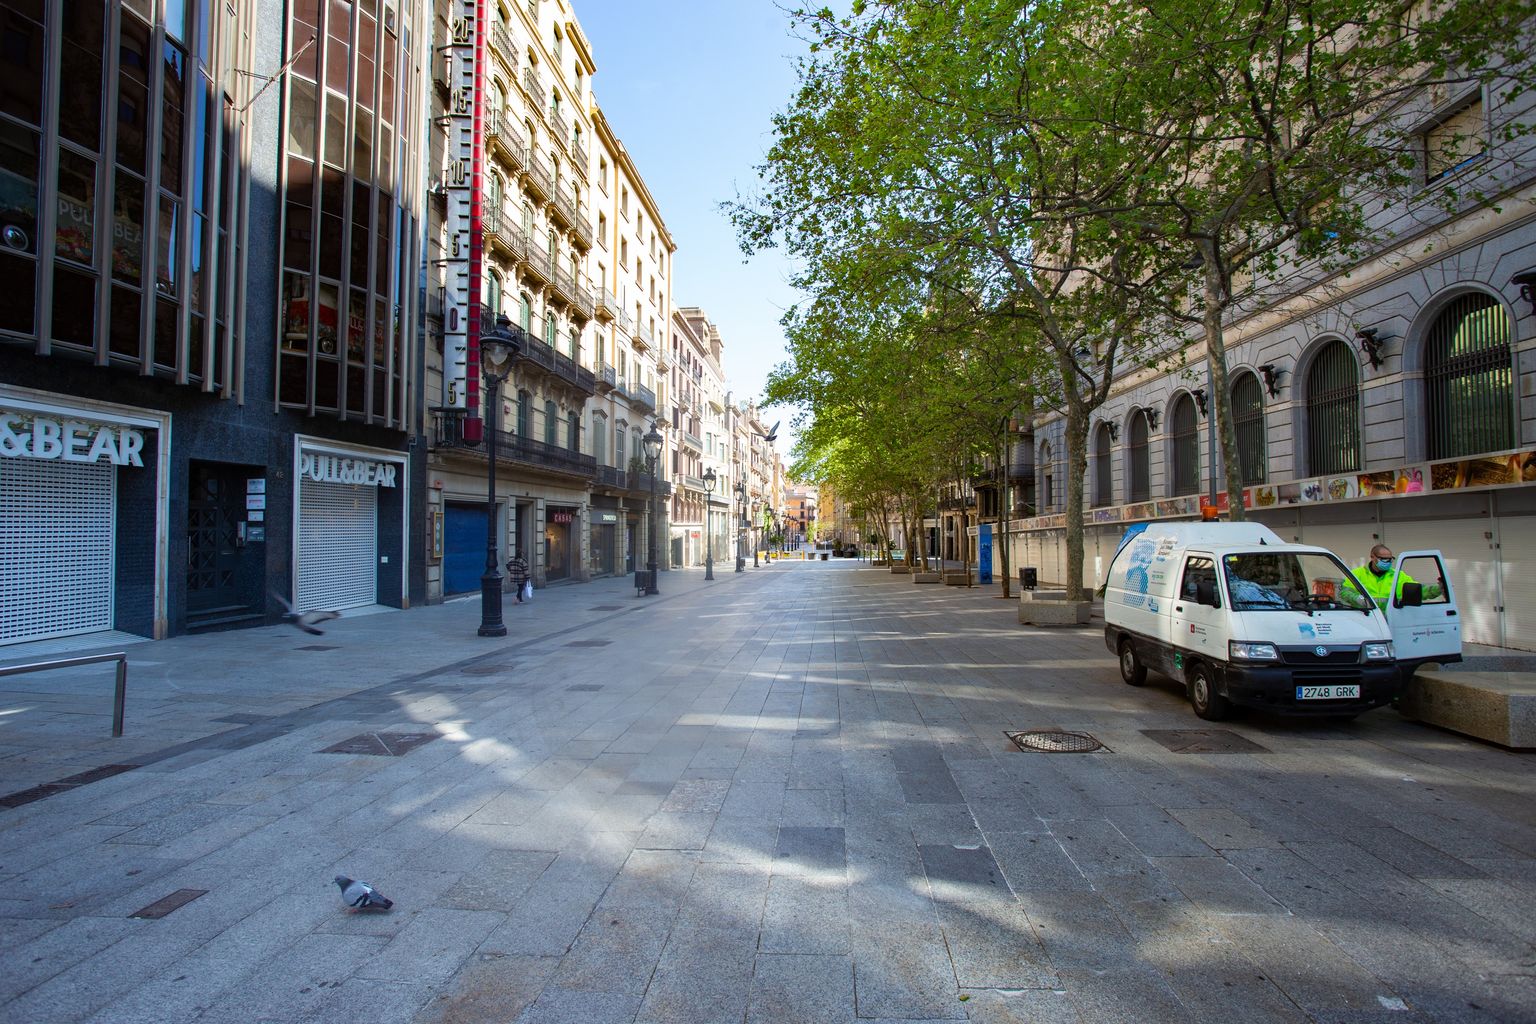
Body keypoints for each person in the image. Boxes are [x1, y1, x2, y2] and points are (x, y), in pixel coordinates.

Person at [1348, 544, 1440, 613]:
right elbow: (1344, 592)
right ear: (1372, 557)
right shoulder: (1357, 574)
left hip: (1391, 621)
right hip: (1367, 620)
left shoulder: (1398, 575)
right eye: (1384, 559)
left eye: (1390, 559)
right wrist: (1360, 600)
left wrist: (1439, 589)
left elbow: (1420, 591)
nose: (1388, 562)